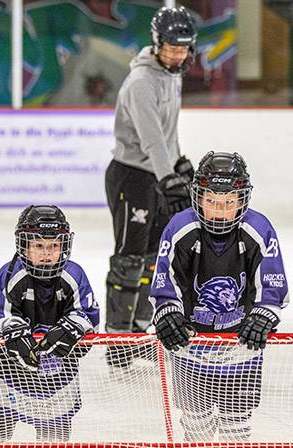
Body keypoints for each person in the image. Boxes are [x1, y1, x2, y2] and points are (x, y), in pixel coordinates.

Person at [149, 151, 289, 448]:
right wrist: (167, 311)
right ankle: (196, 447)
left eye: (229, 202)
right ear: (197, 196)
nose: (220, 211)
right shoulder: (179, 228)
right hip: (191, 342)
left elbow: (272, 280)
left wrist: (265, 314)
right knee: (195, 414)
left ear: (243, 200)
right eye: (212, 201)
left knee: (237, 412)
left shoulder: (259, 229)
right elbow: (164, 278)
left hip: (240, 340)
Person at [104, 6, 197, 364]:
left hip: (157, 173)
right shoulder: (142, 82)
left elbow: (168, 133)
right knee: (129, 258)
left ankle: (141, 330)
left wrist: (178, 162)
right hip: (133, 175)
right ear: (157, 43)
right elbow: (150, 140)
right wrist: (169, 176)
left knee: (153, 259)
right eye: (172, 47)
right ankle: (117, 343)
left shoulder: (172, 74)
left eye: (184, 48)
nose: (178, 54)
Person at [0, 205, 99, 448]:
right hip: (10, 370)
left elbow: (90, 316)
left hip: (57, 371)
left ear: (65, 246)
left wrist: (73, 328)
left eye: (54, 246)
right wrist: (13, 332)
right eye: (38, 245)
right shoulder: (10, 274)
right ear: (24, 246)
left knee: (56, 434)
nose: (47, 253)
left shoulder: (74, 274)